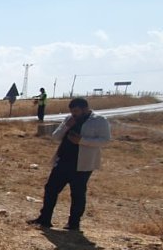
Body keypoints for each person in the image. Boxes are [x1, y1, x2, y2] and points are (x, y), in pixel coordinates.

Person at [27, 97, 112, 231]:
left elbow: (105, 141)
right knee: (51, 189)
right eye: (72, 111)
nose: (74, 114)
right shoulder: (69, 119)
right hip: (63, 161)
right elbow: (55, 136)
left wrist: (82, 140)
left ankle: (73, 224)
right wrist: (67, 125)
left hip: (83, 164)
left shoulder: (99, 120)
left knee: (77, 193)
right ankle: (44, 219)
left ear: (85, 109)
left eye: (76, 111)